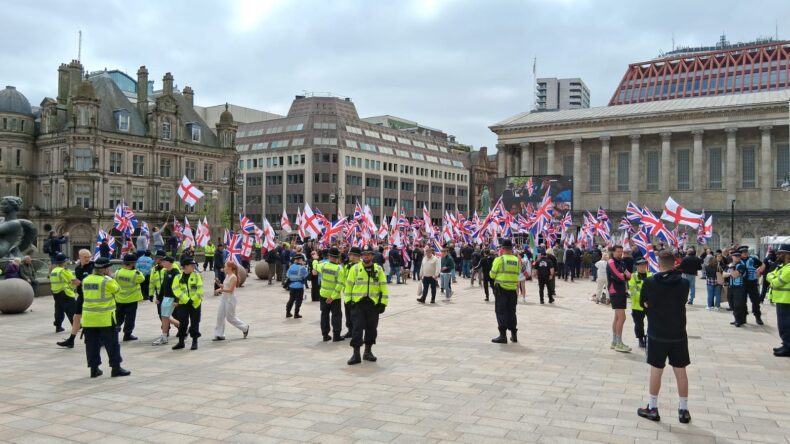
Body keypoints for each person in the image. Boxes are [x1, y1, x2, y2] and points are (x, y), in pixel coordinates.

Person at [637, 251, 691, 424]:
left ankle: (653, 407)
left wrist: (652, 307)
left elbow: (643, 302)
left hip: (657, 331)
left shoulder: (650, 282)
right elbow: (682, 301)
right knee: (680, 370)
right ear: (674, 263)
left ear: (659, 264)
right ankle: (683, 409)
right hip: (678, 332)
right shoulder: (684, 283)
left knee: (656, 369)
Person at [79, 257, 131, 378]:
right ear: (105, 269)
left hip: (88, 319)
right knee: (112, 344)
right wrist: (110, 277)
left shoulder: (86, 280)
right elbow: (118, 290)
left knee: (92, 345)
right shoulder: (107, 281)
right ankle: (116, 368)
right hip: (105, 319)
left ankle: (94, 369)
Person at [343, 245, 388, 365]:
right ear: (361, 256)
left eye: (368, 254)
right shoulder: (355, 269)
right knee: (357, 329)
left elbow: (383, 287)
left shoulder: (378, 269)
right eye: (364, 254)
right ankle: (356, 354)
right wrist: (348, 301)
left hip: (373, 305)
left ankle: (368, 352)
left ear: (372, 255)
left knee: (371, 329)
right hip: (357, 304)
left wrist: (383, 303)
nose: (366, 256)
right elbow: (348, 286)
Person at [57, 249, 94, 348]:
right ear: (80, 257)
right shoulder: (77, 268)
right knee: (76, 317)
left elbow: (94, 282)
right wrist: (75, 284)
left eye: (89, 257)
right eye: (85, 257)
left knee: (90, 318)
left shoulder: (93, 266)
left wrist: (80, 283)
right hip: (81, 296)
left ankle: (97, 338)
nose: (88, 259)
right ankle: (71, 340)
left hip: (91, 297)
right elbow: (78, 282)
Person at [489, 239, 520, 344]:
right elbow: (518, 273)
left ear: (502, 249)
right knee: (512, 312)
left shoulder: (499, 259)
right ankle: (514, 335)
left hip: (501, 290)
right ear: (511, 249)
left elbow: (492, 275)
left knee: (501, 312)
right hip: (513, 290)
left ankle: (503, 336)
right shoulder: (516, 260)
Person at [212, 261, 250, 341]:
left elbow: (230, 290)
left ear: (230, 268)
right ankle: (219, 334)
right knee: (220, 316)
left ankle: (245, 327)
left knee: (230, 318)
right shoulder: (227, 275)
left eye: (225, 266)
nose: (224, 268)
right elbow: (225, 286)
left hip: (230, 299)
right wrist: (219, 285)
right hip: (224, 298)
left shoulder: (233, 277)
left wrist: (220, 290)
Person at [172, 257, 203, 350]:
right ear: (185, 266)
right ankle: (181, 342)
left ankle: (194, 342)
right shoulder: (178, 277)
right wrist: (186, 300)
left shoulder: (197, 276)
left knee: (195, 322)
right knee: (183, 323)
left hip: (195, 303)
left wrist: (192, 300)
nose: (194, 267)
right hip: (183, 304)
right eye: (191, 265)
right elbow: (176, 290)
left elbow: (200, 290)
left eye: (194, 265)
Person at [114, 254, 145, 342]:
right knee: (130, 318)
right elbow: (142, 279)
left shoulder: (118, 272)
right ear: (133, 263)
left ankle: (114, 332)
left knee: (118, 317)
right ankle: (127, 335)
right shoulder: (136, 274)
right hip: (131, 300)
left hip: (119, 299)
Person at [766, 244, 790, 357]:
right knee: (782, 325)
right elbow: (769, 274)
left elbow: (776, 282)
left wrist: (772, 278)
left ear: (787, 255)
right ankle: (786, 344)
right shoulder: (781, 267)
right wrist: (772, 277)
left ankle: (788, 347)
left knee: (786, 325)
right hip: (782, 300)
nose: (777, 255)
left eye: (780, 253)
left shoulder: (788, 269)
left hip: (787, 300)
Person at [317, 247, 345, 342]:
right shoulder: (339, 269)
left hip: (323, 295)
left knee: (324, 315)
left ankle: (325, 335)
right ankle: (336, 336)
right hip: (335, 297)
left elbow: (315, 266)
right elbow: (339, 285)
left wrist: (315, 259)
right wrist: (332, 297)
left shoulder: (323, 265)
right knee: (336, 316)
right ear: (337, 257)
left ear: (329, 256)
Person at [607, 245, 632, 352]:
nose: (620, 253)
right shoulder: (611, 262)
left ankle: (614, 341)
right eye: (618, 251)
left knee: (617, 317)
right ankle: (618, 342)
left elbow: (628, 275)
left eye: (621, 251)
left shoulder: (621, 262)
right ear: (613, 252)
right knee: (622, 317)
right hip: (615, 291)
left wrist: (624, 275)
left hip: (621, 290)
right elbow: (619, 276)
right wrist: (624, 275)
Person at [152, 256, 181, 346]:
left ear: (169, 262)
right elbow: (163, 286)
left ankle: (164, 337)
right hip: (166, 298)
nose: (162, 263)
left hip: (171, 298)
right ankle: (182, 327)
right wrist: (159, 298)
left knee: (165, 317)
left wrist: (176, 300)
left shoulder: (176, 273)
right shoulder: (166, 272)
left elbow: (178, 287)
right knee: (164, 317)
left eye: (164, 261)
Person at [49, 252, 80, 333]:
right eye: (66, 260)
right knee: (72, 310)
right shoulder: (64, 271)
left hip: (56, 293)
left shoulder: (53, 271)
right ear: (64, 261)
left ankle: (58, 326)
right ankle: (76, 326)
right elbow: (74, 281)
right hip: (66, 293)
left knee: (59, 310)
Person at [629, 258, 652, 348]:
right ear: (637, 266)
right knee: (639, 324)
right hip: (637, 305)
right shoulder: (633, 276)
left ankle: (649, 337)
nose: (643, 266)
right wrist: (643, 300)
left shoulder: (651, 275)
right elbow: (633, 291)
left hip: (649, 304)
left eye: (644, 264)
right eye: (641, 265)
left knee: (652, 323)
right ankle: (640, 339)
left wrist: (648, 300)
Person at [740, 246, 764, 325]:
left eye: (746, 252)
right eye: (743, 252)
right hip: (742, 283)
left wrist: (759, 271)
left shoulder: (753, 259)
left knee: (755, 301)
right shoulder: (738, 260)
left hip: (752, 283)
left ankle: (758, 317)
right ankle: (743, 318)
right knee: (742, 302)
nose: (745, 253)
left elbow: (763, 264)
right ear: (740, 253)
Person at [723, 251, 748, 327]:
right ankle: (740, 319)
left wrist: (731, 271)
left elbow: (735, 275)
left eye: (738, 256)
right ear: (732, 257)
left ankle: (738, 320)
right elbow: (723, 274)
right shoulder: (729, 265)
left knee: (738, 304)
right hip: (731, 287)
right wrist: (730, 273)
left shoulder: (741, 266)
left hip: (739, 288)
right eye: (735, 256)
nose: (737, 258)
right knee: (731, 303)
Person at [342, 247, 361, 338]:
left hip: (357, 296)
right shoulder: (347, 266)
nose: (348, 256)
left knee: (356, 316)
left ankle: (356, 332)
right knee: (348, 314)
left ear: (355, 256)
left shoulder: (361, 267)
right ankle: (350, 330)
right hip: (347, 294)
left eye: (350, 254)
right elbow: (344, 278)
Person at [285, 253, 309, 318]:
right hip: (299, 286)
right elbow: (306, 275)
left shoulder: (291, 266)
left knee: (291, 299)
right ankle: (296, 314)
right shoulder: (302, 268)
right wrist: (305, 267)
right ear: (300, 260)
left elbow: (287, 275)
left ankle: (288, 312)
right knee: (299, 300)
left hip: (292, 286)